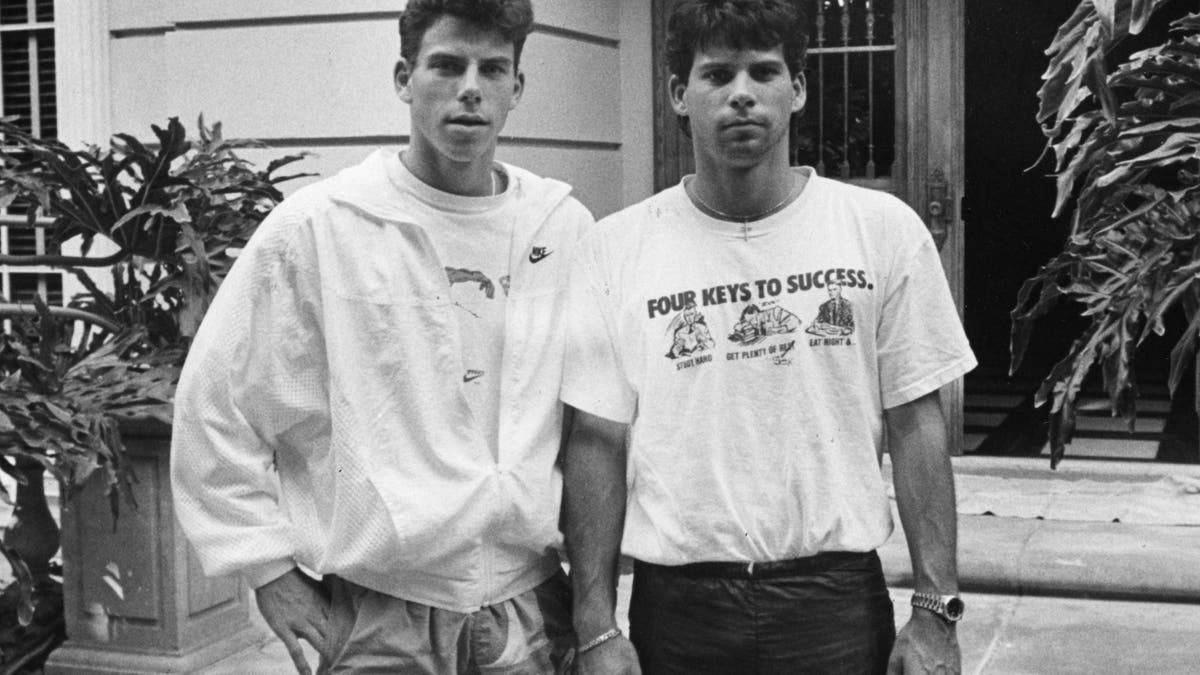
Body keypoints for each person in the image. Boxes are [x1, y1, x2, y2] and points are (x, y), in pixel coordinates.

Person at [170, 1, 593, 672]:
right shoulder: (325, 225)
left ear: (517, 87)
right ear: (404, 78)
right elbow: (216, 403)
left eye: (492, 69)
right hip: (381, 612)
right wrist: (266, 567)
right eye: (446, 66)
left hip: (530, 606)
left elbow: (597, 421)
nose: (470, 89)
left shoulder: (561, 228)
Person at [560, 0, 975, 673]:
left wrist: (935, 610)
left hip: (834, 607)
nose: (742, 95)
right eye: (717, 75)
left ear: (798, 88)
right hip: (680, 611)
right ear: (679, 94)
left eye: (764, 71)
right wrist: (596, 629)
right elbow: (595, 444)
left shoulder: (880, 230)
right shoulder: (615, 249)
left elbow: (916, 421)